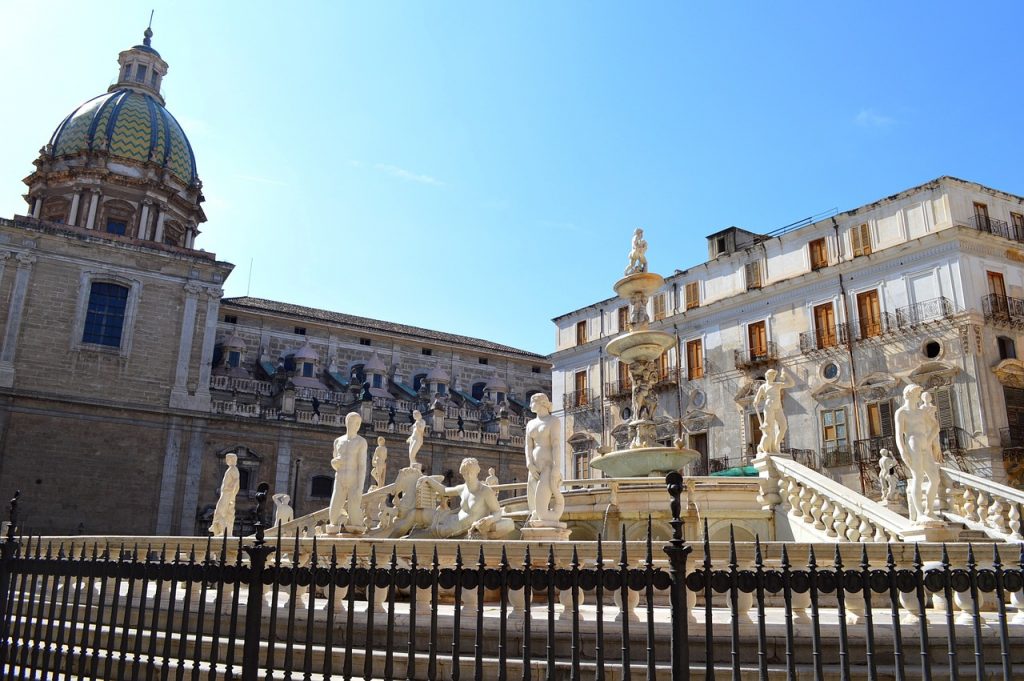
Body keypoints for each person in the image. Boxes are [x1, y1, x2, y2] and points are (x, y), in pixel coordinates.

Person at [417, 458, 514, 538]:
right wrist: (428, 479)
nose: (467, 475)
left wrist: (489, 519)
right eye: (464, 473)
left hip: (456, 529)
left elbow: (497, 512)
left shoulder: (485, 491)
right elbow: (444, 490)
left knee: (423, 533)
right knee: (421, 523)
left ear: (476, 472)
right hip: (450, 522)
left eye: (470, 472)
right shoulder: (463, 488)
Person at [894, 384, 941, 523]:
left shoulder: (922, 413)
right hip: (912, 443)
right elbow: (898, 435)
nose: (919, 397)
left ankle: (930, 511)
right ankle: (920, 513)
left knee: (935, 478)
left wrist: (930, 440)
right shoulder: (901, 412)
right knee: (918, 477)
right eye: (917, 394)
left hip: (924, 443)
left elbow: (935, 427)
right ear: (909, 395)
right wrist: (902, 451)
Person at [524, 393, 566, 526]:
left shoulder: (553, 421)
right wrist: (529, 463)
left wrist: (557, 468)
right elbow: (528, 446)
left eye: (532, 402)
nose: (530, 405)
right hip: (534, 468)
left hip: (548, 466)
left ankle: (549, 523)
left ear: (542, 403)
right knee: (532, 507)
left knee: (541, 510)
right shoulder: (530, 423)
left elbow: (555, 444)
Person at [328, 412, 368, 533]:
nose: (355, 425)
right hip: (339, 477)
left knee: (354, 514)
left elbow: (362, 466)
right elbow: (335, 461)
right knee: (333, 513)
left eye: (358, 423)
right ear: (346, 422)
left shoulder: (361, 442)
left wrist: (360, 487)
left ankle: (355, 529)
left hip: (353, 479)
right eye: (352, 422)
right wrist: (333, 463)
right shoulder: (338, 441)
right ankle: (334, 528)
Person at [752, 369, 794, 455]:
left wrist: (786, 375)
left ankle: (776, 445)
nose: (773, 377)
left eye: (774, 375)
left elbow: (791, 384)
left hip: (778, 408)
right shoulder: (763, 387)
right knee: (769, 430)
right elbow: (756, 399)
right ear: (767, 376)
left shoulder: (777, 385)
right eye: (772, 375)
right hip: (769, 408)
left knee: (783, 427)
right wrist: (756, 402)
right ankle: (764, 447)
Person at [209, 453, 240, 536]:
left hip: (228, 494)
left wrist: (232, 497)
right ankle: (217, 527)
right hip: (225, 493)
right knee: (220, 511)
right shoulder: (231, 469)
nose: (226, 460)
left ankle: (223, 531)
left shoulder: (233, 469)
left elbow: (236, 483)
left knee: (220, 512)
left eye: (228, 459)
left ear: (232, 459)